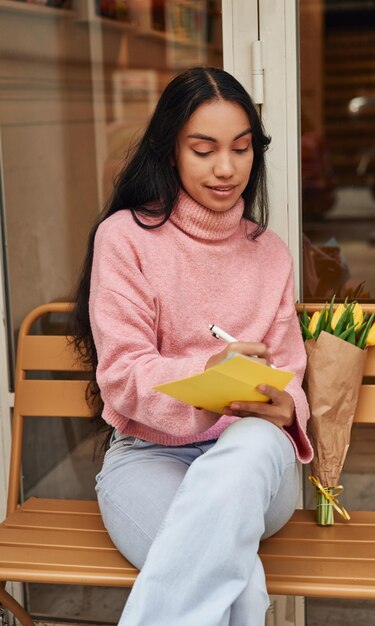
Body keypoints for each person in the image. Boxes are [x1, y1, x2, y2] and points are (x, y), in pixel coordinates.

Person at [71, 66, 313, 626]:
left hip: (256, 466)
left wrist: (286, 407)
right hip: (149, 458)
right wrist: (206, 375)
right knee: (237, 584)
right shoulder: (125, 239)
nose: (226, 169)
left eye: (241, 148)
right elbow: (123, 374)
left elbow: (291, 378)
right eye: (203, 150)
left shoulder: (269, 252)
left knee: (254, 441)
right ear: (170, 150)